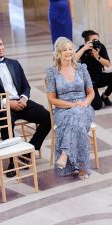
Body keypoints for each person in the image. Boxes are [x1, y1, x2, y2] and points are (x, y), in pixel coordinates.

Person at [0, 35, 53, 178]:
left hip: (21, 102)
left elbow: (26, 86)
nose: (0, 47)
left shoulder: (14, 63)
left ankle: (27, 152)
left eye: (1, 44)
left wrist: (24, 98)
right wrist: (7, 103)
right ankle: (13, 161)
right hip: (3, 106)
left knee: (48, 118)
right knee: (7, 125)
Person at [45, 38, 95, 180]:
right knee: (77, 123)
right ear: (58, 53)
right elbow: (52, 99)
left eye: (70, 48)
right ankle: (83, 168)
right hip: (63, 109)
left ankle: (65, 154)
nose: (68, 52)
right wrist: (72, 105)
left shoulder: (82, 68)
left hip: (84, 107)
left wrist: (85, 102)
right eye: (64, 49)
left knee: (78, 116)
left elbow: (91, 92)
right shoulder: (52, 72)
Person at [78, 30, 112, 110]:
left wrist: (97, 56)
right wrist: (84, 49)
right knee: (97, 106)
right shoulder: (82, 49)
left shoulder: (101, 47)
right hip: (88, 82)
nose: (96, 42)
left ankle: (105, 96)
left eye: (98, 40)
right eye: (94, 40)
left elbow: (107, 64)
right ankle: (87, 95)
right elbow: (73, 60)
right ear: (87, 42)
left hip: (99, 77)